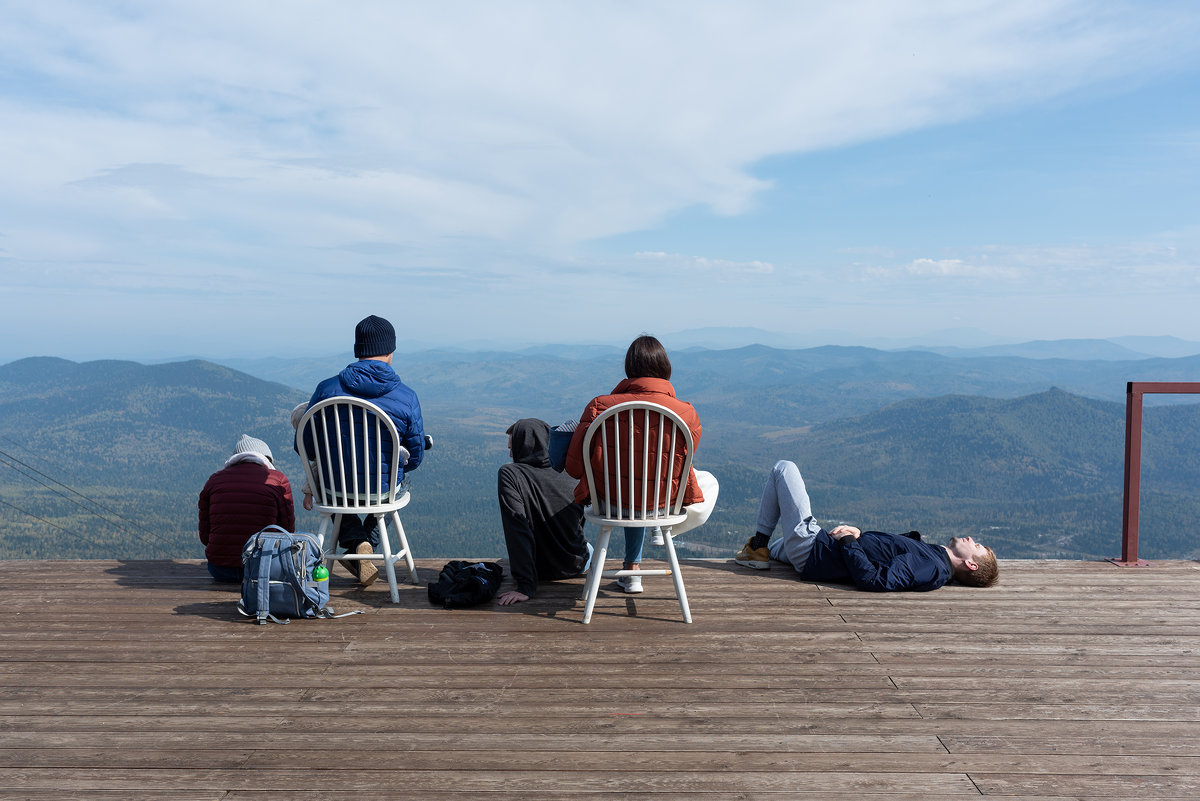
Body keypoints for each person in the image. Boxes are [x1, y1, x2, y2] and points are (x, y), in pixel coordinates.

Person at [565, 335, 704, 594]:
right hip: (662, 504)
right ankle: (661, 535)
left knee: (631, 483)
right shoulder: (686, 413)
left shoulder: (599, 407)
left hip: (611, 500)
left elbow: (574, 468)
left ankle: (634, 569)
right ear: (665, 368)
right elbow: (686, 458)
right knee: (704, 480)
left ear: (629, 368)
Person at [297, 314, 426, 586]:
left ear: (358, 350)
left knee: (330, 489)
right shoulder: (406, 396)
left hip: (335, 488)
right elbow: (414, 457)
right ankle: (366, 542)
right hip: (381, 489)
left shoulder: (326, 389)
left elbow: (306, 445)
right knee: (401, 480)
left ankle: (356, 543)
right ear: (391, 352)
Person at [734, 460, 998, 590]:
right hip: (822, 550)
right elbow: (884, 554)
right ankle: (761, 550)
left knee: (784, 469)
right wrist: (858, 534)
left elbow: (873, 579)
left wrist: (848, 541)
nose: (970, 538)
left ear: (971, 564)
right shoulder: (933, 559)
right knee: (781, 545)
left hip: (816, 551)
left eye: (975, 546)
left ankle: (757, 547)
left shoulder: (930, 566)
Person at [495, 418, 591, 606]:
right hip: (576, 565)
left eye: (511, 448)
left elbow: (518, 529)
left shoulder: (511, 474)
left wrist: (525, 586)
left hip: (539, 570)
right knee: (589, 547)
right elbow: (579, 521)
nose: (510, 455)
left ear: (524, 445)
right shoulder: (570, 470)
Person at [198, 434, 295, 583]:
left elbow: (205, 535)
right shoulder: (277, 480)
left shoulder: (214, 480)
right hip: (264, 570)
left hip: (220, 570)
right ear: (267, 458)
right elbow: (287, 531)